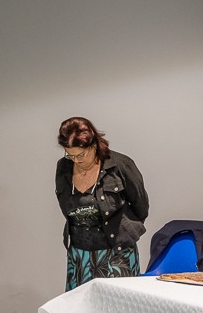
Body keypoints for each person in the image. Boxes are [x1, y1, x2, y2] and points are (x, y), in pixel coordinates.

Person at [55, 117, 148, 290]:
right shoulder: (63, 167)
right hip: (79, 254)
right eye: (70, 155)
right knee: (79, 302)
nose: (76, 160)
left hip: (117, 253)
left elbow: (141, 206)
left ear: (94, 145)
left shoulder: (120, 165)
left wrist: (123, 231)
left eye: (81, 155)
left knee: (117, 302)